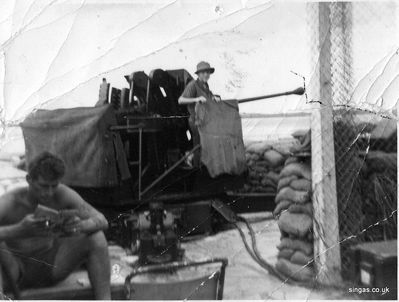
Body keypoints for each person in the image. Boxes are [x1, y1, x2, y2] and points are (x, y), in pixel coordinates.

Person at [0, 152, 110, 300]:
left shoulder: (63, 194)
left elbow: (102, 220)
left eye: (54, 186)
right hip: (13, 271)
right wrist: (18, 230)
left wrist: (80, 226)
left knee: (96, 237)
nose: (49, 192)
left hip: (50, 266)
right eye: (44, 186)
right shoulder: (9, 202)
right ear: (29, 179)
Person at [178, 61, 221, 167]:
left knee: (206, 145)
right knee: (199, 145)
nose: (206, 74)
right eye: (203, 72)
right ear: (198, 74)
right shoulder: (193, 85)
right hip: (195, 120)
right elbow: (181, 100)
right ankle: (198, 168)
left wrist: (214, 97)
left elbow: (208, 98)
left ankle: (205, 167)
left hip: (205, 121)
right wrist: (196, 99)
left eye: (207, 72)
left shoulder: (205, 85)